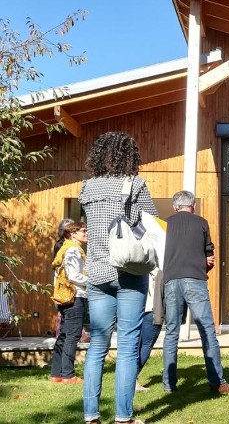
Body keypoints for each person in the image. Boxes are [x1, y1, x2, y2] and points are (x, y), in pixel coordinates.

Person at [79, 131, 157, 424]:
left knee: (97, 345)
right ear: (130, 156)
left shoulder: (86, 187)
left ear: (99, 155)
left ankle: (91, 416)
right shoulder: (135, 184)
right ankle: (124, 418)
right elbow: (152, 222)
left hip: (97, 272)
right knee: (127, 346)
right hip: (129, 272)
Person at [162, 190, 229, 394]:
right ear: (193, 205)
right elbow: (209, 256)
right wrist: (204, 263)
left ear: (174, 207)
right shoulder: (201, 222)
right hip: (195, 279)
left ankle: (169, 385)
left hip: (171, 280)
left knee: (171, 332)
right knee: (206, 330)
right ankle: (217, 382)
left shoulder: (165, 224)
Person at [50, 221, 89, 383]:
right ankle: (68, 375)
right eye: (83, 231)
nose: (86, 233)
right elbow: (74, 275)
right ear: (72, 234)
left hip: (65, 297)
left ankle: (57, 374)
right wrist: (92, 281)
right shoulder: (73, 250)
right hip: (75, 296)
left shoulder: (65, 248)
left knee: (65, 334)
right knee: (72, 335)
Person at [135, 268, 163, 392]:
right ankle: (132, 379)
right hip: (151, 310)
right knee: (146, 345)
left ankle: (129, 379)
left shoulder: (136, 269)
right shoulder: (157, 271)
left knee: (136, 346)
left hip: (136, 309)